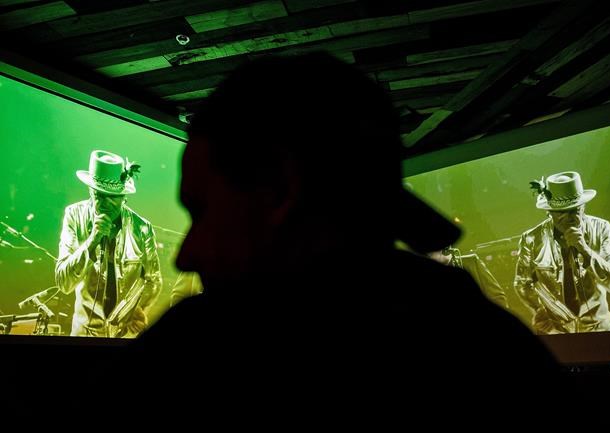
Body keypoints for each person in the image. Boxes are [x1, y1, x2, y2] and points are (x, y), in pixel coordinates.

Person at [109, 53, 559, 421]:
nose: (187, 254)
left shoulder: (195, 353)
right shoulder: (495, 350)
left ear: (282, 189)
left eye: (203, 211)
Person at [55, 150, 162, 337]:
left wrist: (138, 308)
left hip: (124, 336)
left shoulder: (142, 228)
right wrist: (91, 241)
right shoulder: (74, 215)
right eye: (99, 196)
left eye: (112, 196)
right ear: (90, 191)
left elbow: (154, 280)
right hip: (83, 335)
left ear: (124, 197)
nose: (105, 203)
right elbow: (64, 283)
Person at [514, 171, 610, 334]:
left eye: (575, 210)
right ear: (549, 212)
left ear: (584, 206)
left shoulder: (601, 228)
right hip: (555, 334)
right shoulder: (531, 239)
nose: (570, 218)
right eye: (562, 212)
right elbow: (522, 283)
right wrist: (539, 310)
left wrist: (586, 250)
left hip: (600, 332)